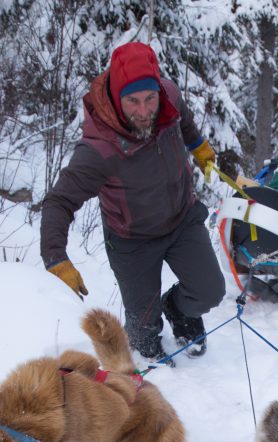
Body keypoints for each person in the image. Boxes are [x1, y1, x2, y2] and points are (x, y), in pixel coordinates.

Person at [40, 42, 226, 363]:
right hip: (132, 239)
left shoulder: (169, 96)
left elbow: (184, 122)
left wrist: (199, 147)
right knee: (142, 329)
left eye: (150, 99)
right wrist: (56, 258)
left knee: (210, 291)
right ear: (116, 97)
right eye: (133, 101)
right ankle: (150, 355)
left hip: (182, 219)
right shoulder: (99, 148)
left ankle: (177, 310)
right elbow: (59, 201)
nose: (144, 111)